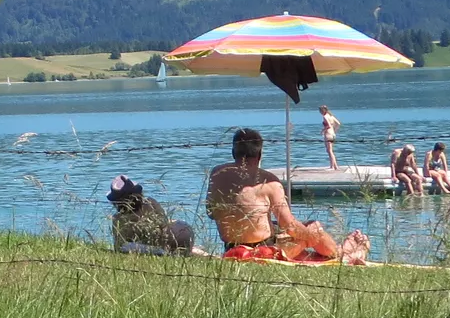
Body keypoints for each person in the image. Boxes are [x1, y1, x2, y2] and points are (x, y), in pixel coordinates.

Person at [206, 127, 369, 263]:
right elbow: (289, 226)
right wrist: (310, 233)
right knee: (314, 228)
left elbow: (211, 212)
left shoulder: (217, 173)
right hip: (263, 252)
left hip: (231, 248)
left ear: (233, 152)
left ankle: (340, 250)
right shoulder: (268, 181)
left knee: (295, 229)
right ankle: (342, 255)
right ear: (259, 155)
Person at [106, 175, 194, 255]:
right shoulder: (151, 203)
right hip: (183, 233)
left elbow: (118, 246)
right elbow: (164, 222)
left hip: (163, 243)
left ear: (116, 202)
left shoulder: (118, 220)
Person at [319, 105, 341, 170]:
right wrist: (335, 130)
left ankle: (332, 167)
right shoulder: (331, 116)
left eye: (320, 111)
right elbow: (338, 123)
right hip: (333, 134)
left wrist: (323, 131)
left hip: (328, 134)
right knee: (330, 150)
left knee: (329, 151)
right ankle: (335, 166)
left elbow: (328, 125)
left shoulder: (325, 117)